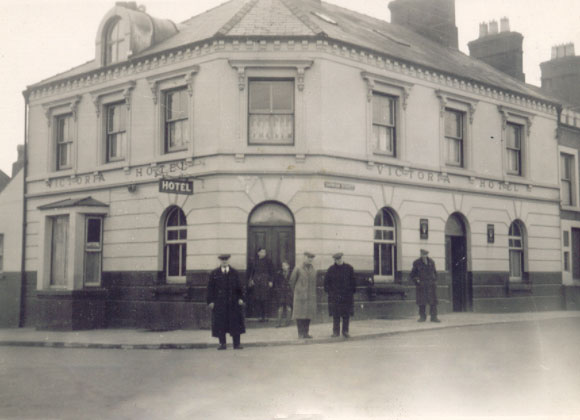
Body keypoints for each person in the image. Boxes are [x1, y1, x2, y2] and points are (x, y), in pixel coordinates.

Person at [206, 254, 246, 350]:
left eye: (226, 260)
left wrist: (241, 298)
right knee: (220, 322)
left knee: (235, 322)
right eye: (222, 260)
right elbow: (210, 289)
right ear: (220, 261)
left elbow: (239, 287)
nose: (224, 262)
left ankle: (236, 344)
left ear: (228, 261)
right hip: (220, 303)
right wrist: (210, 301)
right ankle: (222, 344)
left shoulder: (234, 273)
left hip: (233, 303)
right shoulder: (214, 273)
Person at [324, 252, 356, 338]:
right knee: (336, 315)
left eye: (340, 259)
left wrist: (351, 292)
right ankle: (336, 332)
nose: (339, 261)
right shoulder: (331, 269)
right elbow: (326, 283)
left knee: (346, 314)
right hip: (335, 296)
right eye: (337, 259)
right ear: (334, 260)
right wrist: (330, 293)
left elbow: (353, 282)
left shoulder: (349, 268)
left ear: (342, 258)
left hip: (347, 296)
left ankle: (345, 331)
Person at [290, 252, 318, 339]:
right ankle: (300, 333)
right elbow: (292, 281)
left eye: (311, 258)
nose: (310, 259)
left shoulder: (314, 270)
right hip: (300, 296)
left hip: (310, 297)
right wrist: (297, 292)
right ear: (304, 258)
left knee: (308, 315)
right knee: (300, 315)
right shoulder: (298, 268)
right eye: (308, 257)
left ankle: (306, 333)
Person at [410, 248, 440, 323]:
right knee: (422, 302)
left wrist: (435, 281)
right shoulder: (416, 263)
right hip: (422, 285)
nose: (424, 256)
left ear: (427, 255)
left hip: (431, 285)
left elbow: (435, 273)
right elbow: (412, 274)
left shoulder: (431, 262)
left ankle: (434, 317)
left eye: (425, 254)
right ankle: (422, 317)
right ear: (420, 254)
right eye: (423, 254)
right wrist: (417, 282)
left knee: (433, 302)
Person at [248, 247, 274, 321]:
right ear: (258, 253)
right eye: (262, 252)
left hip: (265, 281)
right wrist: (251, 280)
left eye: (264, 252)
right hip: (256, 282)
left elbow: (271, 272)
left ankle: (266, 316)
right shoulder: (254, 261)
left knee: (265, 298)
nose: (263, 253)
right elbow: (251, 272)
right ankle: (260, 316)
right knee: (258, 298)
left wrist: (271, 281)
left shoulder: (268, 261)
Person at [273, 261, 293, 327]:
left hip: (288, 292)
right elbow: (276, 283)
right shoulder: (279, 273)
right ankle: (278, 323)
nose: (283, 267)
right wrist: (278, 290)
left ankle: (288, 323)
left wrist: (291, 290)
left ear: (288, 266)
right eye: (282, 265)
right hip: (281, 292)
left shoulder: (292, 273)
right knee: (280, 307)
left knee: (288, 307)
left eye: (285, 265)